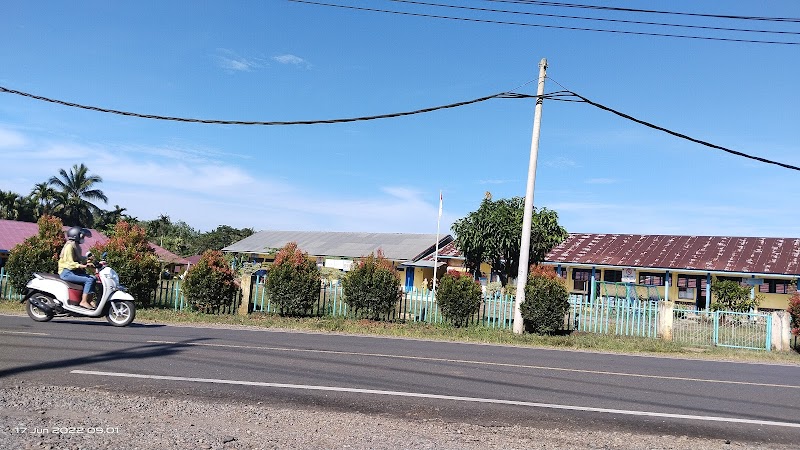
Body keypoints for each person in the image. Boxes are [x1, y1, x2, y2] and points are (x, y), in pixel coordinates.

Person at [58, 226, 96, 309]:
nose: (83, 238)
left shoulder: (75, 245)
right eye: (82, 236)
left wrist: (88, 260)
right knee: (89, 279)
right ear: (76, 235)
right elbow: (70, 263)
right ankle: (83, 301)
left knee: (93, 278)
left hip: (72, 271)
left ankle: (89, 300)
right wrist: (83, 265)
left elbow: (79, 258)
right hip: (66, 272)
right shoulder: (69, 247)